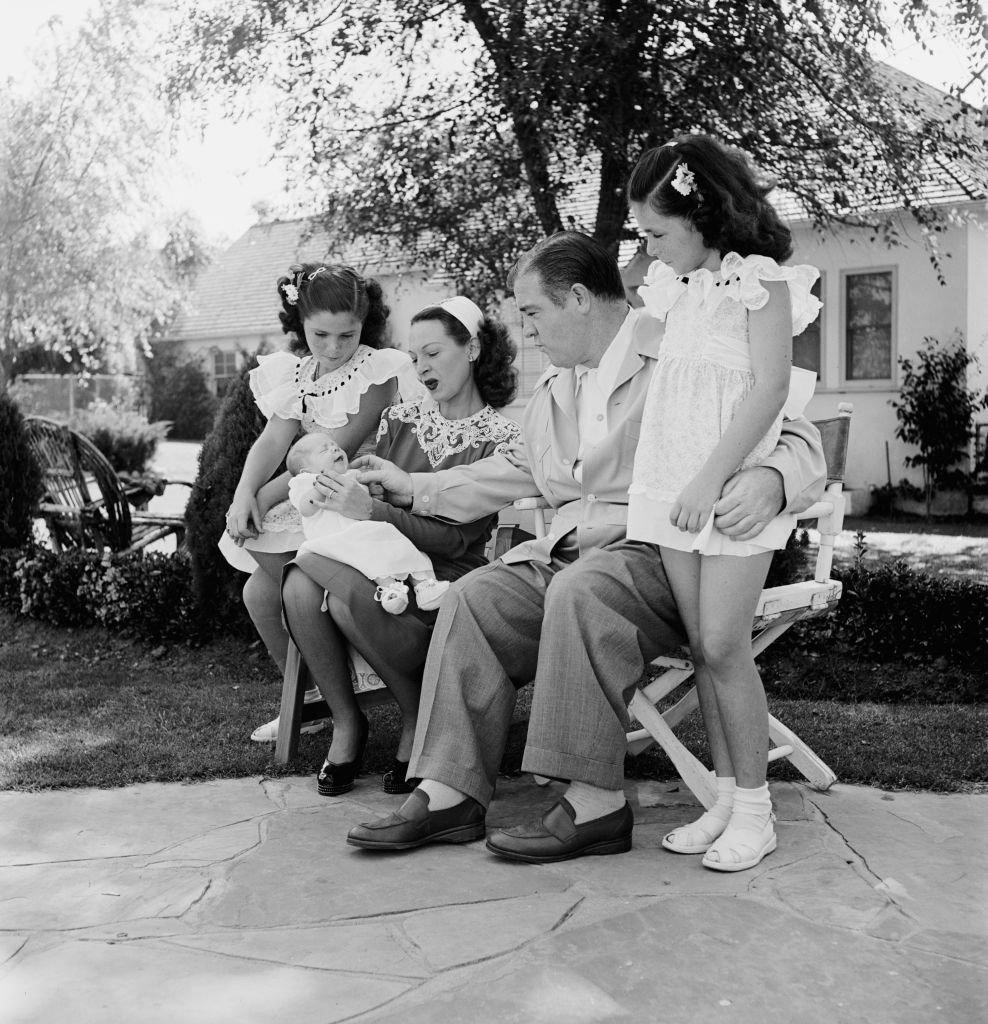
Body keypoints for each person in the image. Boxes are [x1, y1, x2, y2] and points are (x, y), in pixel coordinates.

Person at [345, 231, 826, 863]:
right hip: (569, 557)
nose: (529, 333)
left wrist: (773, 477)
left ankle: (595, 803)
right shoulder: (557, 386)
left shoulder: (672, 346)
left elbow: (789, 429)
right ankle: (448, 792)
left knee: (580, 590)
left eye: (534, 314)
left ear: (577, 298)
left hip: (662, 559)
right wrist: (414, 487)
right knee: (473, 599)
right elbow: (523, 476)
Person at [624, 135, 821, 871]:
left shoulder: (762, 283)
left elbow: (767, 388)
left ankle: (757, 810)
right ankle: (725, 798)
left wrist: (711, 477)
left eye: (657, 233)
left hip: (727, 489)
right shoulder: (673, 291)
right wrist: (676, 482)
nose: (648, 250)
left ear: (702, 213)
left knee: (723, 645)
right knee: (699, 652)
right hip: (669, 488)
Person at [279, 296, 521, 797]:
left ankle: (415, 714)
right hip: (375, 559)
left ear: (472, 348)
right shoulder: (400, 420)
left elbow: (455, 540)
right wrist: (347, 493)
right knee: (302, 581)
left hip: (442, 581)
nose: (421, 366)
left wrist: (371, 510)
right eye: (415, 357)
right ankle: (348, 725)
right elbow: (373, 499)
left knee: (341, 596)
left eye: (433, 352)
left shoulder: (500, 437)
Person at [220, 263, 423, 740]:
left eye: (346, 336)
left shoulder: (376, 370)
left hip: (356, 495)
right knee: (257, 593)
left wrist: (265, 499)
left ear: (364, 324)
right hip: (311, 494)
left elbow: (340, 451)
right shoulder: (297, 373)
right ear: (300, 324)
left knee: (278, 567)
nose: (333, 349)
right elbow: (272, 443)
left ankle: (357, 660)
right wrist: (242, 493)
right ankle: (314, 698)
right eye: (321, 335)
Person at [285, 432, 449, 614]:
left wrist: (374, 490)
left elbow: (367, 499)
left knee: (395, 541)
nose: (334, 448)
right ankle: (391, 590)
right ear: (306, 471)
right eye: (324, 450)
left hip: (364, 529)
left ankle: (425, 584)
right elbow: (306, 508)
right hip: (333, 541)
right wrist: (321, 485)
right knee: (369, 558)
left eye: (335, 446)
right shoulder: (304, 482)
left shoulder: (353, 475)